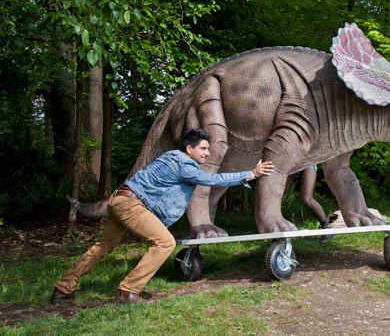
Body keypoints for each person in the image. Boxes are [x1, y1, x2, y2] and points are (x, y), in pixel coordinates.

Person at [51, 128, 274, 304]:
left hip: (119, 200)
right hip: (131, 204)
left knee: (102, 246)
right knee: (165, 242)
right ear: (189, 148)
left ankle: (63, 288)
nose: (207, 153)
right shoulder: (185, 164)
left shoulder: (171, 157)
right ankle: (128, 291)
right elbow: (213, 180)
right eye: (203, 148)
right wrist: (251, 174)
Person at [286, 165, 333, 243]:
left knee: (307, 198)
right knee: (278, 196)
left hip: (308, 162)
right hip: (292, 162)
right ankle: (274, 227)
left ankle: (327, 227)